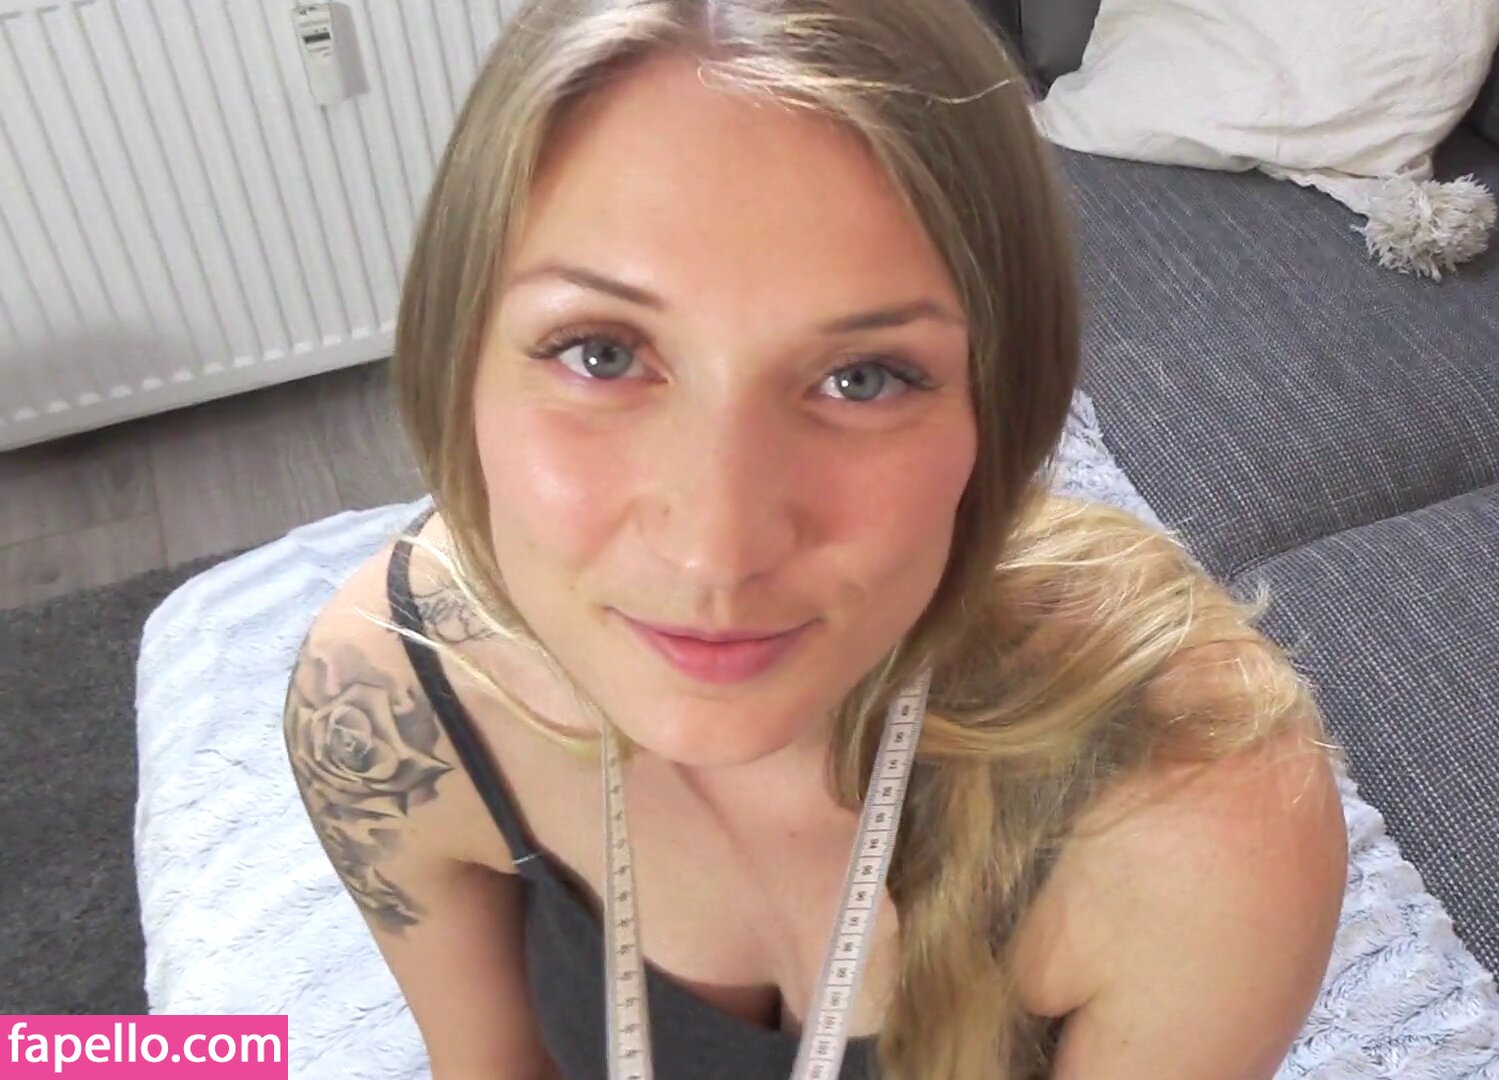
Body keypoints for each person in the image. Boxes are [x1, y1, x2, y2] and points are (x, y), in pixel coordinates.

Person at [280, 1, 1348, 1077]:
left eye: (863, 379)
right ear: (456, 365)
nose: (717, 554)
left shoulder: (1199, 820)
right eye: (601, 354)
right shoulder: (391, 694)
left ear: (1000, 409)